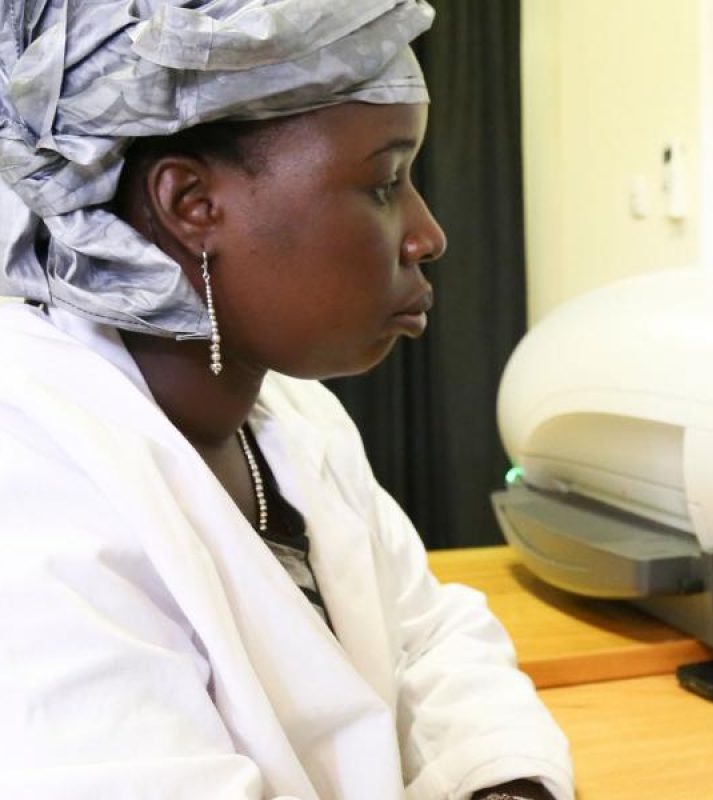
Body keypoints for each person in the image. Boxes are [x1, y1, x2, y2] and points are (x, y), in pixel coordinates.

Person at [0, 1, 574, 798]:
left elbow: (425, 636)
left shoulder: (294, 418)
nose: (427, 235)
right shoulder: (29, 481)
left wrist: (501, 778)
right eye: (385, 183)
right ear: (191, 205)